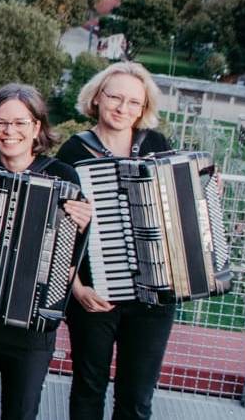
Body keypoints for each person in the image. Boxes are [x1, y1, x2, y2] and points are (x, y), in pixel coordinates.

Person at [0, 84, 92, 420]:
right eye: (0, 123)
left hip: (33, 325)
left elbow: (71, 256)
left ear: (36, 127)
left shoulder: (62, 176)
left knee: (22, 412)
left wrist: (83, 226)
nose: (9, 131)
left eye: (19, 123)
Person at [56, 61, 173, 420]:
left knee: (137, 397)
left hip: (152, 296)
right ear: (96, 99)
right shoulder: (72, 153)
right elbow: (56, 233)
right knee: (88, 389)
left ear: (144, 109)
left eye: (134, 102)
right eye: (115, 98)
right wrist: (76, 289)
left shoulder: (157, 145)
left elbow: (176, 208)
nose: (123, 109)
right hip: (94, 295)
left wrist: (205, 192)